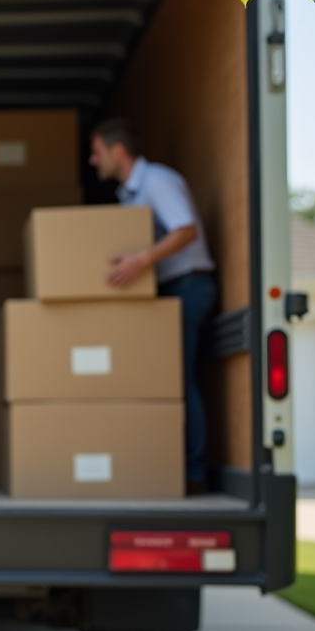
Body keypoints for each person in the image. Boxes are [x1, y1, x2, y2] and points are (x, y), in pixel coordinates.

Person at [88, 117, 218, 495]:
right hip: (170, 287)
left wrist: (140, 260)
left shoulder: (156, 181)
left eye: (97, 152)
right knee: (166, 380)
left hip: (188, 286)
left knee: (177, 381)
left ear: (118, 151)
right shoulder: (130, 195)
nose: (93, 161)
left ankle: (194, 473)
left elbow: (185, 229)